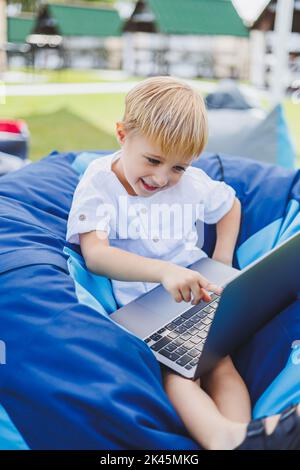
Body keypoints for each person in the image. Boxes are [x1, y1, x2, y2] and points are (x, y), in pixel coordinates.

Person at [66, 76, 300, 450]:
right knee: (179, 373)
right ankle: (223, 438)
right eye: (154, 160)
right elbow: (96, 255)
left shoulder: (188, 181)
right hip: (147, 306)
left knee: (220, 362)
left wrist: (222, 262)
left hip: (201, 289)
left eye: (178, 167)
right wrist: (165, 272)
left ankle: (248, 437)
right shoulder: (99, 183)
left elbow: (230, 206)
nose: (162, 178)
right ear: (123, 134)